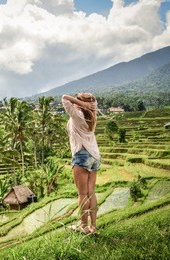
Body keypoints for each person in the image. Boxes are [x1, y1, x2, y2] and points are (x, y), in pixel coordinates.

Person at [62, 93, 100, 234]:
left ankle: (83, 226)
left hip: (82, 155)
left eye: (78, 99)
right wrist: (86, 103)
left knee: (82, 194)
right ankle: (93, 227)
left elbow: (65, 98)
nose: (76, 101)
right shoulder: (93, 114)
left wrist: (81, 103)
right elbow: (93, 102)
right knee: (91, 193)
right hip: (94, 156)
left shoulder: (78, 115)